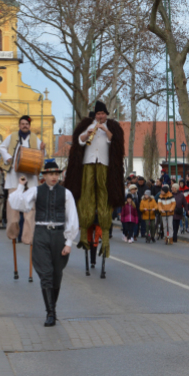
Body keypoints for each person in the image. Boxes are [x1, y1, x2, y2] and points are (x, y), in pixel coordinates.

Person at [9, 161, 79, 326]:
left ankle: (52, 309)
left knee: (56, 275)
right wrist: (20, 186)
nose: (54, 177)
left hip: (59, 235)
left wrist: (69, 242)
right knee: (46, 274)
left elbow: (72, 218)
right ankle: (51, 314)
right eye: (51, 174)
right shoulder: (35, 191)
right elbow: (17, 203)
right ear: (44, 176)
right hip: (41, 234)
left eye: (57, 174)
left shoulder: (66, 193)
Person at [64, 100, 126, 260]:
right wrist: (90, 131)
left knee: (104, 196)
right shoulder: (88, 125)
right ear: (95, 115)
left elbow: (115, 142)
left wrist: (104, 129)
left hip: (104, 164)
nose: (101, 116)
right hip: (88, 163)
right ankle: (83, 235)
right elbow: (80, 140)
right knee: (87, 195)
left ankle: (105, 239)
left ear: (106, 115)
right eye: (98, 114)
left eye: (103, 114)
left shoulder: (110, 127)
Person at [0, 115, 46, 244]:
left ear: (29, 126)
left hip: (30, 178)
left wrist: (43, 149)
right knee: (12, 208)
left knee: (30, 209)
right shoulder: (12, 136)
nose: (24, 125)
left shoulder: (35, 138)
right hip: (14, 177)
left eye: (26, 124)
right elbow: (2, 147)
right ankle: (13, 233)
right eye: (22, 123)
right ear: (19, 125)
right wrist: (8, 157)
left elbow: (42, 154)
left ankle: (28, 237)